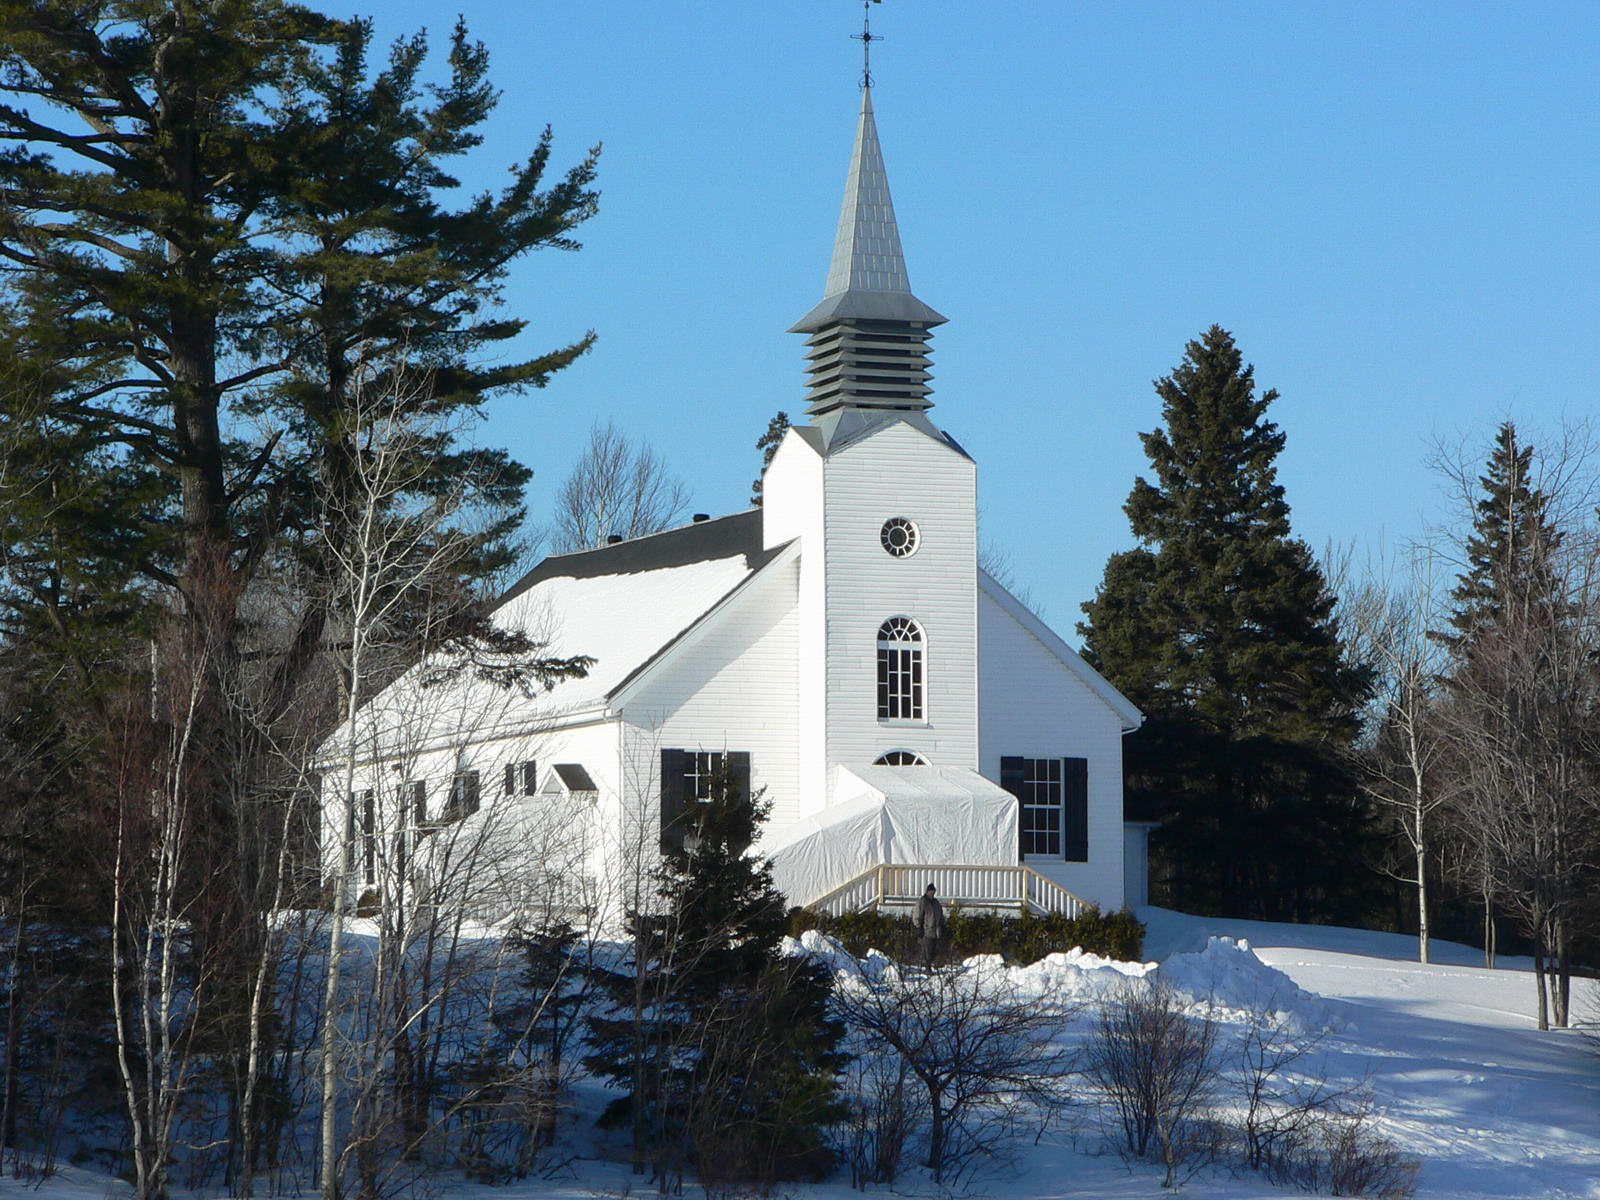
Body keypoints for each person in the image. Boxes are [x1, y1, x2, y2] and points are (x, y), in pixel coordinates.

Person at [914, 883, 947, 970]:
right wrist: (918, 927)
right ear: (927, 892)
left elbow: (940, 915)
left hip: (936, 931)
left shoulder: (936, 903)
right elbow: (918, 915)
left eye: (933, 892)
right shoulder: (922, 902)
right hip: (926, 930)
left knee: (936, 950)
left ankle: (934, 965)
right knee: (927, 950)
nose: (932, 894)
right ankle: (927, 967)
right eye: (931, 892)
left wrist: (943, 925)